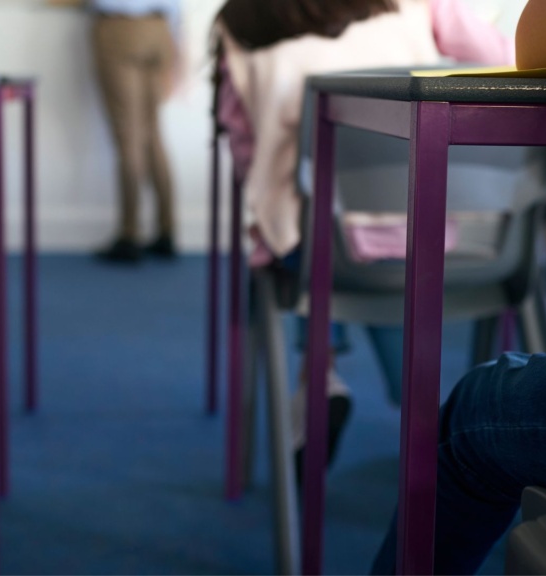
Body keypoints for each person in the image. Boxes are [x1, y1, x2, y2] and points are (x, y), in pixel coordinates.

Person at [212, 0, 516, 468]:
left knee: (312, 233)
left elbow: (241, 137)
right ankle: (426, 417)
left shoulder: (242, 18)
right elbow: (502, 58)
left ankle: (319, 377)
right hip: (433, 226)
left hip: (314, 240)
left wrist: (264, 209)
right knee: (383, 249)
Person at [370, 1, 546, 572]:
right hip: (492, 241)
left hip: (367, 242)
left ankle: (320, 364)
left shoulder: (249, 34)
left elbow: (540, 52)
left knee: (474, 411)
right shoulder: (424, 14)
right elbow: (502, 51)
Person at [90, 0, 181, 263]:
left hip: (120, 28)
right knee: (152, 135)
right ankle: (166, 231)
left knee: (128, 135)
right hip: (159, 29)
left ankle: (129, 235)